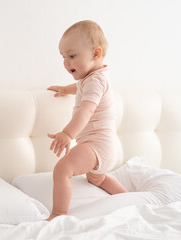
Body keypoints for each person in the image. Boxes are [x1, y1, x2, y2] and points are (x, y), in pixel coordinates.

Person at [46, 20, 128, 221]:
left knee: (62, 170)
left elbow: (86, 110)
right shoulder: (95, 78)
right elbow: (82, 87)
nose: (66, 62)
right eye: (63, 57)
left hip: (96, 146)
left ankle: (58, 214)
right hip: (106, 148)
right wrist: (66, 89)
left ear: (96, 54)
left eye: (72, 56)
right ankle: (128, 199)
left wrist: (67, 134)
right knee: (96, 179)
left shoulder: (95, 81)